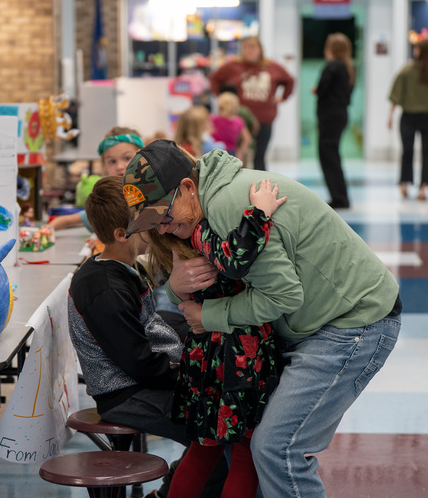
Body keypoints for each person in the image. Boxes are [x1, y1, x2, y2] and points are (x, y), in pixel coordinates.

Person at [122, 140, 402, 498]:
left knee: (276, 449)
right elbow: (212, 282)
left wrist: (209, 316)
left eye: (162, 217)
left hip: (352, 322)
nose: (161, 229)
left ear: (188, 188)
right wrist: (178, 290)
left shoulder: (225, 206)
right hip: (307, 325)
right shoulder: (201, 208)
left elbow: (283, 295)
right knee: (242, 447)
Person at [67, 175, 225, 498]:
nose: (155, 226)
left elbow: (150, 327)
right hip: (127, 394)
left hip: (144, 381)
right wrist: (190, 375)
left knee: (217, 429)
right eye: (145, 222)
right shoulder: (104, 291)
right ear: (121, 234)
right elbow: (139, 363)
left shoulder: (122, 267)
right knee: (214, 435)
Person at [142, 179, 286, 498]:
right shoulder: (202, 238)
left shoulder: (172, 250)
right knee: (246, 456)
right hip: (242, 352)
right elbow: (239, 255)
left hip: (204, 356)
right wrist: (258, 213)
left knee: (202, 452)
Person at [209, 36, 295, 171]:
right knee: (239, 157)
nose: (249, 51)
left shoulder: (272, 67)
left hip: (265, 118)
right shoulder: (233, 66)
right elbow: (214, 78)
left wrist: (283, 98)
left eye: (252, 47)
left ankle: (262, 189)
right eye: (246, 47)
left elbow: (289, 80)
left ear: (260, 49)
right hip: (240, 120)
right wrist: (223, 98)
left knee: (260, 157)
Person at [40, 128, 144, 234]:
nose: (119, 166)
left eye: (127, 158)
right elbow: (68, 220)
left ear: (142, 159)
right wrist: (48, 228)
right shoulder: (108, 200)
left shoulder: (151, 194)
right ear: (104, 166)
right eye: (112, 161)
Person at [388, 39, 428, 201]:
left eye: (417, 49)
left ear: (421, 52)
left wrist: (391, 115)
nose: (414, 51)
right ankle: (423, 188)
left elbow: (396, 93)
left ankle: (404, 183)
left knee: (407, 151)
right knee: (427, 153)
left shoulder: (407, 70)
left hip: (409, 116)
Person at [313, 32, 354, 209]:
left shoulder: (331, 67)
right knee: (333, 155)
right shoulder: (348, 68)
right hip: (341, 115)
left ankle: (339, 198)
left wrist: (316, 90)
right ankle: (340, 195)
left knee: (328, 156)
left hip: (329, 116)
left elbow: (322, 89)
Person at [210, 91, 252, 163]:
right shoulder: (238, 121)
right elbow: (247, 139)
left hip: (214, 153)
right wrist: (240, 152)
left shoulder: (212, 119)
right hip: (231, 154)